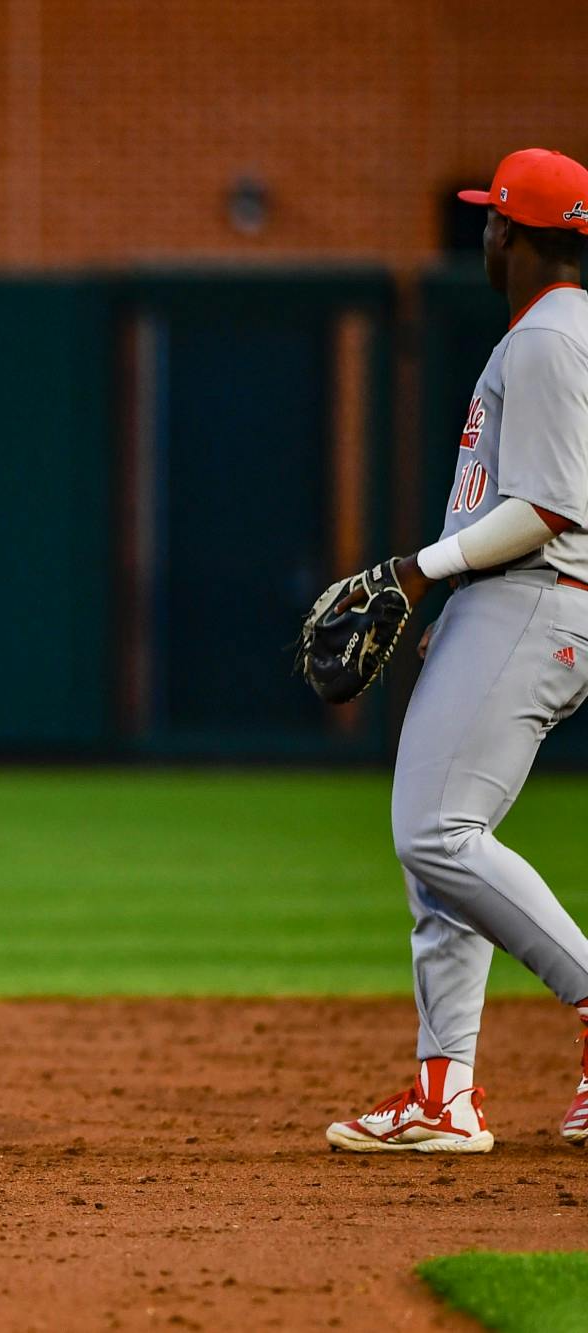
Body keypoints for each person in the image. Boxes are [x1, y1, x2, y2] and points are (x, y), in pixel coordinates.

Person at [326, 148, 588, 1153]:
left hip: (537, 593)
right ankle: (445, 1095)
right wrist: (461, 596)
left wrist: (419, 569)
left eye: (489, 220)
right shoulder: (554, 333)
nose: (482, 234)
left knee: (436, 832)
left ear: (512, 235)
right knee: (435, 840)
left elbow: (546, 506)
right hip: (515, 598)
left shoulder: (548, 339)